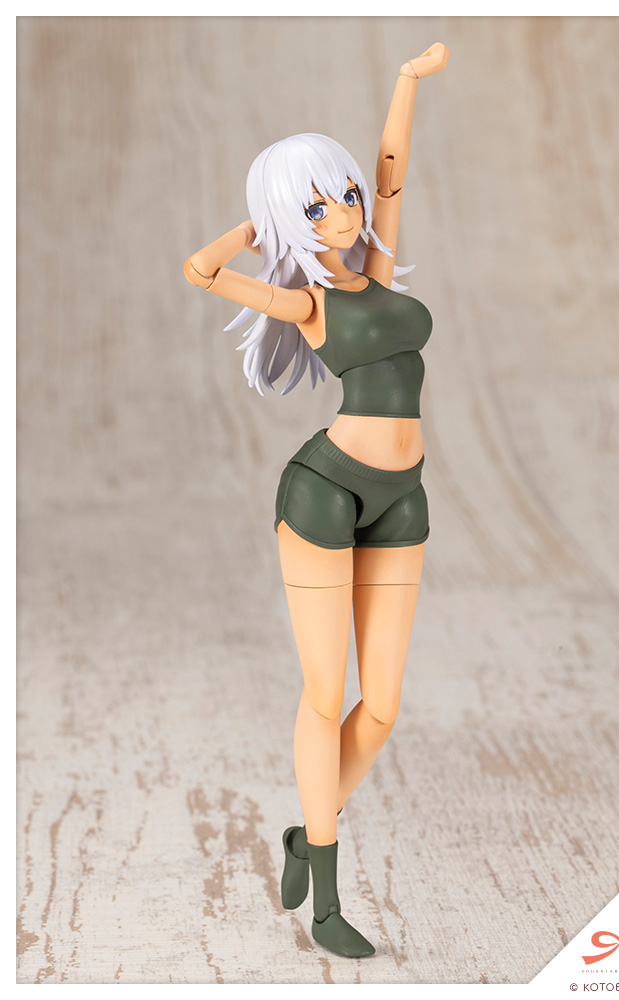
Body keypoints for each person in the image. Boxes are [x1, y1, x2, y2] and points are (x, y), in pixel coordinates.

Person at [184, 42, 448, 959]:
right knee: (324, 690)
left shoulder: (375, 265)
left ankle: (306, 826)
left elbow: (390, 165)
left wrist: (405, 83)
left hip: (403, 496)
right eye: (315, 206)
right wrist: (255, 229)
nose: (342, 212)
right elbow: (200, 271)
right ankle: (326, 897)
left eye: (342, 195)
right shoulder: (309, 304)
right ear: (289, 222)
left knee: (381, 709)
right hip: (325, 491)